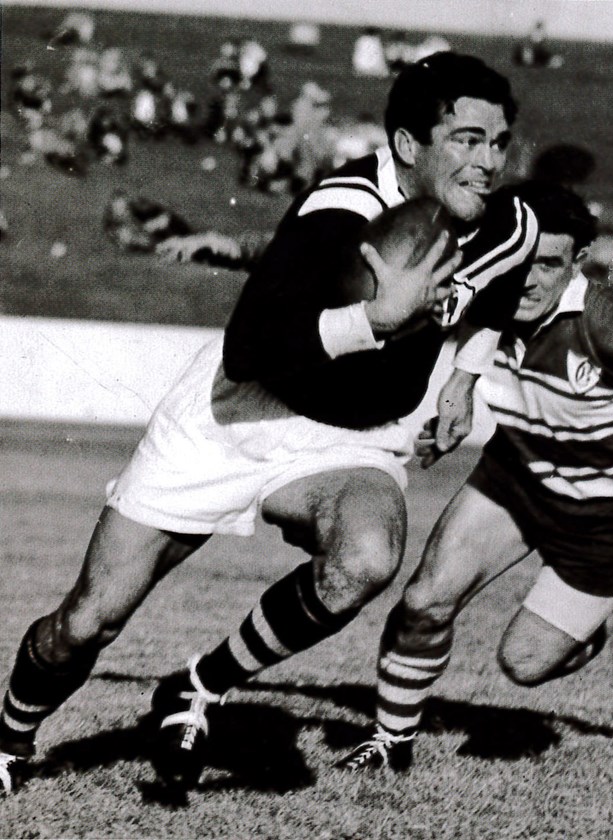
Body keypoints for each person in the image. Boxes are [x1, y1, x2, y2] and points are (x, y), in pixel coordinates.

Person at [0, 51, 539, 794]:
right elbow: (249, 347)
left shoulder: (508, 220)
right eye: (467, 140)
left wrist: (463, 381)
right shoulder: (340, 208)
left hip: (352, 438)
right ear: (408, 145)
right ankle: (9, 741)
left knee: (366, 559)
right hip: (239, 413)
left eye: (498, 142)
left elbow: (503, 281)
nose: (488, 162)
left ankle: (196, 685)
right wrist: (373, 321)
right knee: (89, 621)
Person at [336, 181, 613, 772]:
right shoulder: (479, 293)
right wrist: (458, 390)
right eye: (519, 260)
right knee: (424, 600)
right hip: (519, 475)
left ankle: (582, 630)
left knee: (523, 664)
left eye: (548, 264)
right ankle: (390, 742)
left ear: (579, 262)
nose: (527, 280)